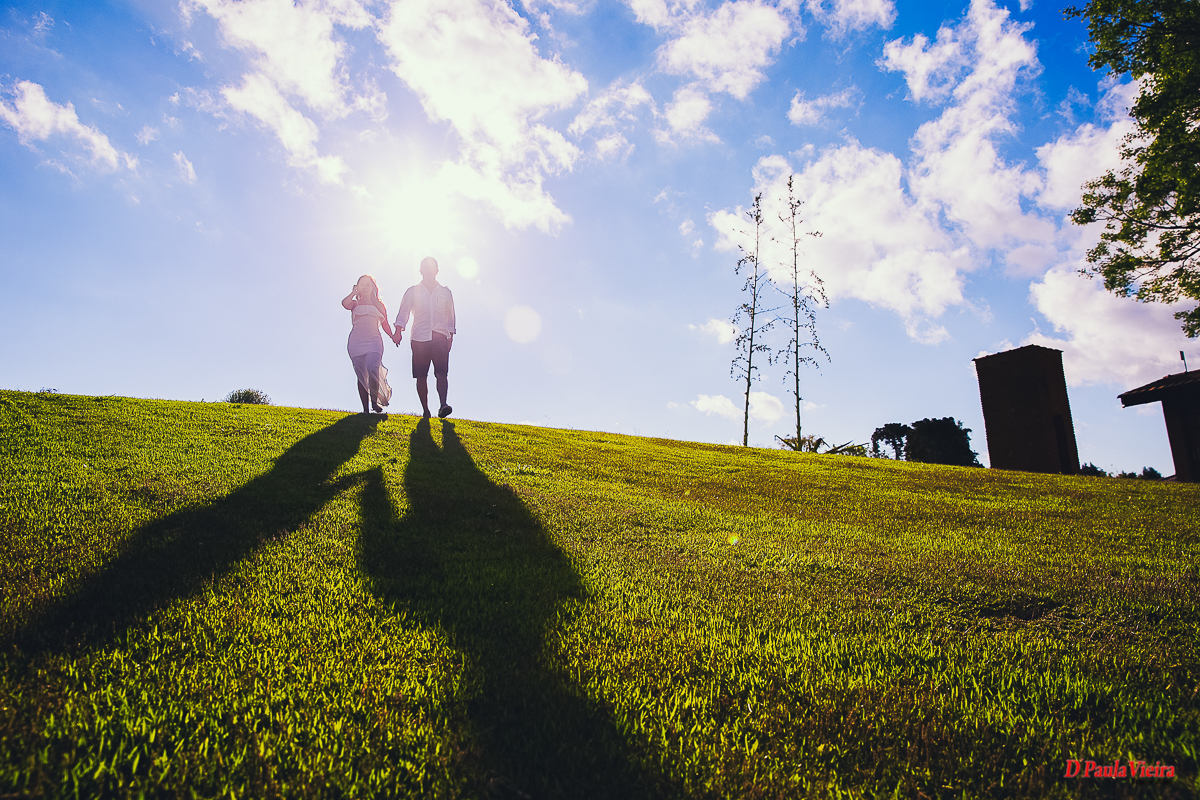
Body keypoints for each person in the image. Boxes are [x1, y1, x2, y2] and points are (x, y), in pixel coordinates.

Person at [392, 256, 456, 418]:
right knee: (421, 375)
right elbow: (404, 311)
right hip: (419, 338)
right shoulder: (412, 291)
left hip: (440, 337)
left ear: (437, 271)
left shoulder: (445, 292)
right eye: (425, 268)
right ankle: (426, 410)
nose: (428, 271)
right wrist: (398, 330)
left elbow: (450, 316)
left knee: (441, 373)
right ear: (420, 271)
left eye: (431, 268)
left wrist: (450, 336)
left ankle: (443, 405)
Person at [341, 275, 394, 415]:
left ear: (372, 288)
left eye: (367, 285)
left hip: (374, 341)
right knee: (361, 375)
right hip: (356, 342)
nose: (364, 287)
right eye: (362, 285)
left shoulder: (379, 306)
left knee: (372, 368)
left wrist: (393, 336)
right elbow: (344, 304)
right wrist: (353, 293)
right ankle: (365, 409)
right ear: (357, 287)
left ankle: (374, 403)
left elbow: (385, 324)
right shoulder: (355, 304)